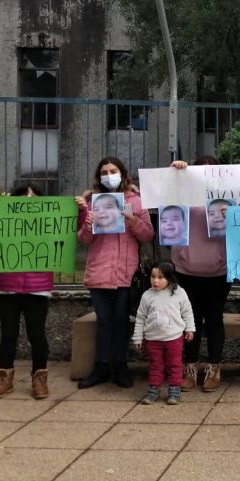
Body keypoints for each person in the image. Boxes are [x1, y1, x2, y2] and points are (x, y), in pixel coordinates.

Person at [170, 157, 240, 393]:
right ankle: (189, 368)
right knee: (191, 321)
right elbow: (164, 203)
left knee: (214, 319)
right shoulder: (184, 193)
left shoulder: (229, 197)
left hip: (218, 271)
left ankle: (214, 368)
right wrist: (173, 174)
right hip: (186, 270)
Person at [76, 156, 154, 389]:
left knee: (121, 321)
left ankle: (120, 365)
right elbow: (83, 240)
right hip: (99, 271)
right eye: (104, 172)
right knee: (104, 321)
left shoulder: (137, 201)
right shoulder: (90, 202)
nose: (109, 175)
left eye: (113, 171)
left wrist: (133, 223)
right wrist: (88, 224)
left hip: (126, 272)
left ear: (122, 173)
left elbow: (148, 235)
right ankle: (100, 366)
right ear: (98, 176)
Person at [0, 185, 56, 400]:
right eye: (23, 198)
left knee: (37, 335)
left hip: (38, 288)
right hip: (7, 286)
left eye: (33, 198)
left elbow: (75, 226)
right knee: (8, 334)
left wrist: (81, 209)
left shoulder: (48, 223)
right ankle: (5, 379)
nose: (28, 201)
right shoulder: (3, 222)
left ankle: (39, 380)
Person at [133, 262, 195, 405]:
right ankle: (154, 390)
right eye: (153, 276)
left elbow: (187, 312)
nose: (155, 281)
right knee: (155, 365)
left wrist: (190, 329)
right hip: (152, 340)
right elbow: (141, 317)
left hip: (174, 339)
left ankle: (174, 390)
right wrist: (137, 337)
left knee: (174, 364)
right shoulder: (147, 296)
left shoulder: (179, 293)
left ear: (170, 278)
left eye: (160, 277)